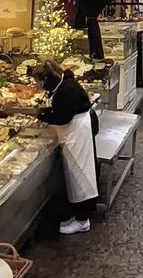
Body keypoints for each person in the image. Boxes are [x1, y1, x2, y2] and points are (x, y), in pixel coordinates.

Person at [35, 61, 98, 236]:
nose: (41, 87)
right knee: (74, 175)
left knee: (80, 174)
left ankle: (82, 220)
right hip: (75, 131)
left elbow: (63, 117)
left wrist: (42, 115)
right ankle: (78, 214)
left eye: (42, 82)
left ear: (50, 78)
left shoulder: (66, 90)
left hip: (77, 133)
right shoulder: (64, 84)